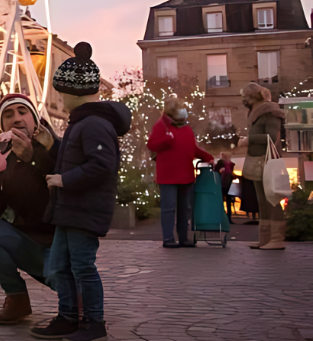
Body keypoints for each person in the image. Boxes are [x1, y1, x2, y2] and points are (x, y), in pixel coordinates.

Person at [30, 43, 131, 341]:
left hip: (83, 210)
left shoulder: (94, 124)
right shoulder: (82, 124)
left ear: (74, 92)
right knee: (60, 266)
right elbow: (80, 158)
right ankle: (68, 317)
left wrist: (65, 180)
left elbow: (102, 165)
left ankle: (93, 323)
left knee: (82, 266)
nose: (60, 98)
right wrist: (53, 147)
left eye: (61, 92)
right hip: (70, 210)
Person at [0, 93, 57, 325]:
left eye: (23, 112)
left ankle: (76, 300)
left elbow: (68, 190)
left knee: (61, 278)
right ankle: (16, 298)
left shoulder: (57, 146)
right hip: (30, 243)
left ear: (35, 119)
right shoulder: (1, 157)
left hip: (63, 244)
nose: (17, 119)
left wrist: (33, 157)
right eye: (8, 115)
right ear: (2, 125)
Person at [146, 96, 214, 248]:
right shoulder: (161, 126)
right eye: (180, 108)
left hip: (185, 174)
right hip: (168, 175)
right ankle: (168, 239)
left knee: (185, 209)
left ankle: (184, 238)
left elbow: (192, 148)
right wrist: (166, 140)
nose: (184, 111)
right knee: (169, 208)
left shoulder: (186, 128)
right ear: (172, 112)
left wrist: (207, 156)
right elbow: (151, 145)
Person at [238, 83, 286, 250]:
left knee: (272, 199)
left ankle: (276, 238)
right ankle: (265, 239)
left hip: (269, 161)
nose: (244, 100)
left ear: (254, 97)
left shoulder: (269, 113)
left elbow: (271, 138)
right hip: (257, 160)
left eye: (246, 96)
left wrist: (249, 140)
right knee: (262, 201)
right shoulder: (255, 113)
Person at [215, 152, 236, 224]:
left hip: (224, 185)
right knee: (227, 202)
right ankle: (226, 218)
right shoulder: (227, 164)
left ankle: (224, 218)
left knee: (222, 202)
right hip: (225, 184)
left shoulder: (230, 164)